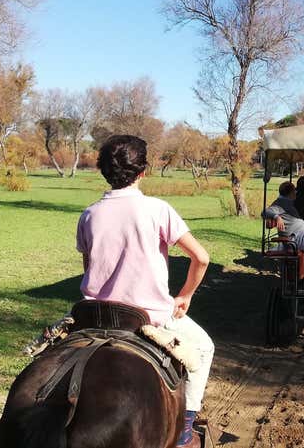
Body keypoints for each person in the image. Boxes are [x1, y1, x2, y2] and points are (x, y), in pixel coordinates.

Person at [76, 135, 214, 448]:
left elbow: (89, 268)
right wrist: (185, 295)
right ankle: (185, 431)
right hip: (148, 317)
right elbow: (201, 258)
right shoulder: (158, 210)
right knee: (204, 348)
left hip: (93, 316)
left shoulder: (89, 214)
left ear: (104, 171)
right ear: (143, 172)